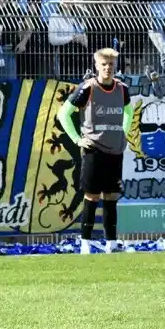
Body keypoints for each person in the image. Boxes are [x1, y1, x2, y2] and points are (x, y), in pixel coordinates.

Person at [55, 49, 132, 254]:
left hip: (115, 151)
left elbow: (129, 112)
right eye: (104, 64)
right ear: (97, 66)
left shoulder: (122, 89)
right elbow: (63, 114)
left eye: (111, 65)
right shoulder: (88, 88)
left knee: (111, 197)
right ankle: (85, 244)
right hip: (94, 150)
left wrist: (123, 134)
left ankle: (111, 244)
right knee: (92, 196)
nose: (108, 68)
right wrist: (77, 139)